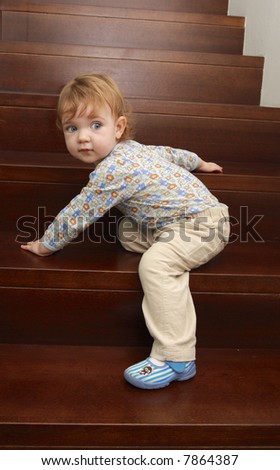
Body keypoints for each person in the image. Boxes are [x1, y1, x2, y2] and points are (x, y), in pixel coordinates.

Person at [21, 73, 230, 390]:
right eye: (72, 128)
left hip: (203, 226)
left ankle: (177, 358)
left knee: (156, 265)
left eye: (95, 125)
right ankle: (166, 249)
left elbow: (79, 211)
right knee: (128, 230)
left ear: (117, 128)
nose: (83, 138)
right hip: (181, 222)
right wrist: (199, 162)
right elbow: (172, 153)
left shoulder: (111, 171)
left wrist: (47, 245)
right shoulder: (134, 149)